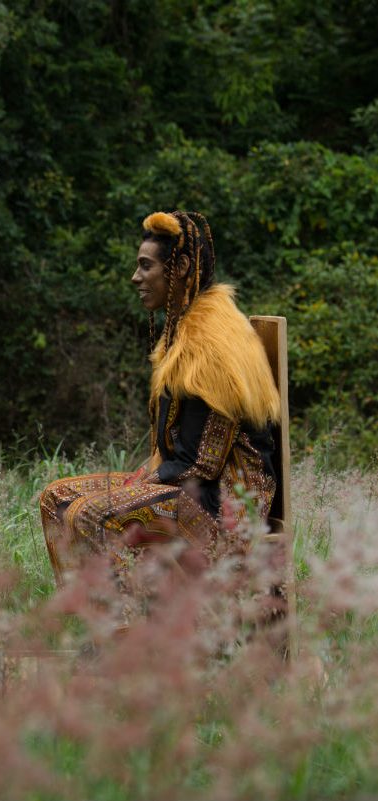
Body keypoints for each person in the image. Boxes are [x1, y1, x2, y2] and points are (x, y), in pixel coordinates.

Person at [40, 211, 280, 584]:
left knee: (91, 513)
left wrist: (138, 484)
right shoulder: (182, 329)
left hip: (225, 510)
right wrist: (141, 480)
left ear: (180, 267)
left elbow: (199, 465)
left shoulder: (211, 343)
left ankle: (127, 620)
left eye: (145, 265)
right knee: (57, 498)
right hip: (186, 491)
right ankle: (89, 611)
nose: (135, 277)